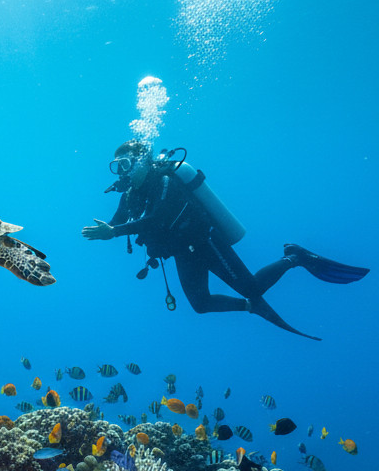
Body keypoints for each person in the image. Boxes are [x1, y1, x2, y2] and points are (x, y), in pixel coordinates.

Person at [81, 140, 368, 339]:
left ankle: (294, 257)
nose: (123, 172)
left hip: (205, 241)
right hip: (182, 251)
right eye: (117, 167)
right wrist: (108, 228)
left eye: (127, 164)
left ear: (143, 160)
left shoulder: (166, 181)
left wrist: (113, 232)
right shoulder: (130, 194)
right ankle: (250, 307)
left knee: (253, 287)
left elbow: (156, 219)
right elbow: (118, 220)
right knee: (200, 304)